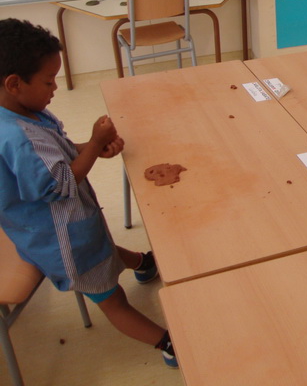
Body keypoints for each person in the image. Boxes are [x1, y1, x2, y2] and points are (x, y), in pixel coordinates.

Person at [0, 19, 178, 368]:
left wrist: (92, 149)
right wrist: (95, 145)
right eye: (49, 81)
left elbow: (59, 154)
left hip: (65, 228)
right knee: (113, 300)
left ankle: (142, 263)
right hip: (61, 240)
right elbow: (60, 183)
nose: (55, 88)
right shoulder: (19, 138)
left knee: (103, 248)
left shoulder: (24, 111)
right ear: (14, 83)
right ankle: (168, 343)